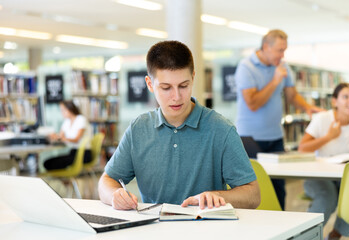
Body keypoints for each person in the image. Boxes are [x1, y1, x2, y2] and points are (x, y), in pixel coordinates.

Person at [98, 40, 260, 210]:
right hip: (153, 229)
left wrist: (218, 196)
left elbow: (253, 194)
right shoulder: (138, 129)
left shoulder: (221, 129)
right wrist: (114, 195)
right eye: (166, 88)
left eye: (183, 86)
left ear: (193, 78)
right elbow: (107, 181)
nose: (176, 97)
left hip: (205, 230)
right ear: (149, 84)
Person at [234, 29, 322, 209]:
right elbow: (252, 103)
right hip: (249, 138)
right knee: (255, 187)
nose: (282, 55)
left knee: (279, 188)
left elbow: (291, 95)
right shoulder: (246, 67)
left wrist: (306, 107)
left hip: (275, 136)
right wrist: (274, 81)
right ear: (266, 47)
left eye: (284, 50)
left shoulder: (283, 67)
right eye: (280, 50)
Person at [298, 83, 349, 240]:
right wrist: (329, 136)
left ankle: (335, 236)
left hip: (343, 178)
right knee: (327, 196)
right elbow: (302, 148)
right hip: (318, 176)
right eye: (345, 97)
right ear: (334, 102)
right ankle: (306, 236)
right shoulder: (323, 119)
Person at [43, 100, 92, 170]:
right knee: (47, 163)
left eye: (63, 110)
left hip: (83, 153)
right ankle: (65, 180)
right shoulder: (67, 121)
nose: (62, 113)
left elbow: (76, 139)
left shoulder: (81, 119)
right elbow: (60, 136)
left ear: (70, 109)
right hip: (73, 152)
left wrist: (62, 138)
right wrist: (54, 136)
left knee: (52, 164)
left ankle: (65, 180)